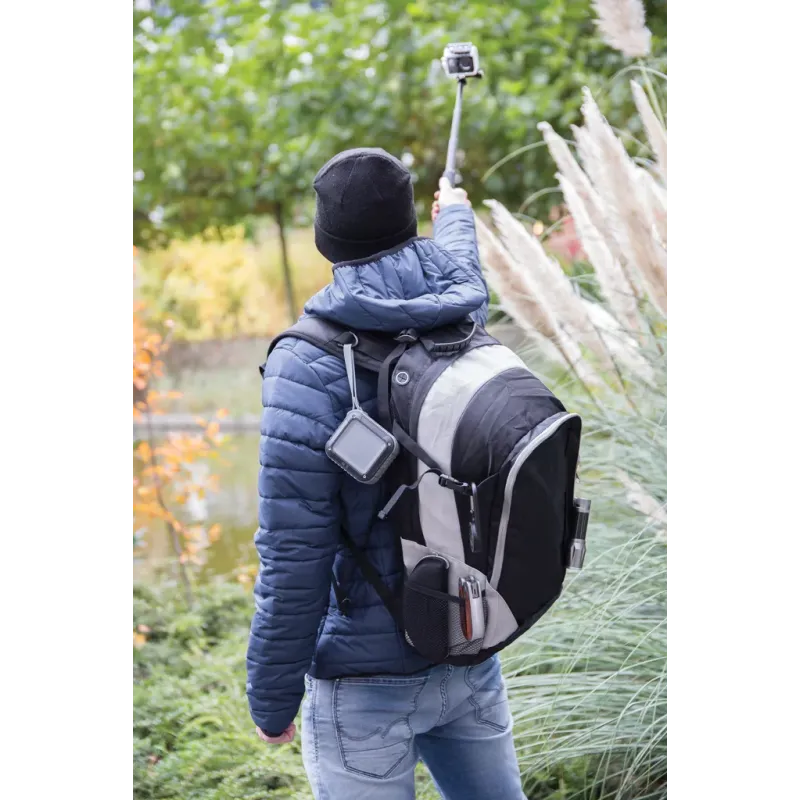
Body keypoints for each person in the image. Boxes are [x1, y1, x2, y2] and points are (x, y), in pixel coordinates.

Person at [246, 147, 526, 800]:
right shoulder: (457, 316)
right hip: (466, 638)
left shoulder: (304, 363)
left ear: (326, 240)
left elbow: (294, 554)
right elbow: (462, 270)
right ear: (408, 224)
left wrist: (272, 700)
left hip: (360, 685)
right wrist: (456, 213)